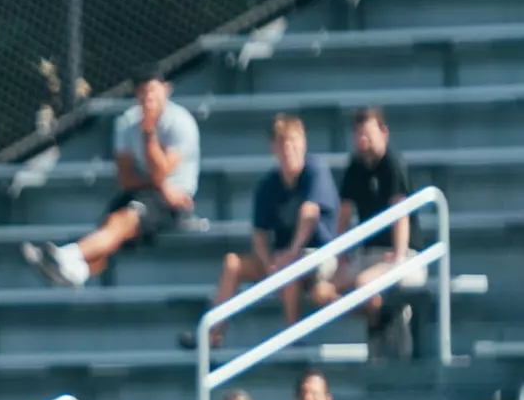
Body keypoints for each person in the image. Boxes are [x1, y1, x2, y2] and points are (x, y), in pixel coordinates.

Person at [23, 66, 200, 287]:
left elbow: (160, 171)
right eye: (143, 93)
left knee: (123, 221)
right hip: (149, 192)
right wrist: (162, 186)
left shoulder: (182, 123)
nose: (149, 99)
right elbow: (126, 178)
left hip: (175, 204)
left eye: (153, 91)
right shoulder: (126, 123)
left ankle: (67, 256)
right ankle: (78, 271)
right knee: (112, 223)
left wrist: (148, 132)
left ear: (166, 90)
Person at [181, 115, 341, 350]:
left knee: (289, 266)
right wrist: (268, 265)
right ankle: (214, 335)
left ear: (304, 143)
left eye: (294, 141)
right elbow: (259, 234)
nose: (289, 149)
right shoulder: (268, 184)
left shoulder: (315, 170)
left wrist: (289, 254)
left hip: (318, 254)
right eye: (282, 143)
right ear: (273, 148)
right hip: (283, 258)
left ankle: (292, 335)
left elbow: (309, 214)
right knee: (233, 263)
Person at [337, 107, 420, 359]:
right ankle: (377, 317)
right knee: (327, 288)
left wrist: (398, 254)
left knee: (363, 284)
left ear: (384, 132)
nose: (363, 140)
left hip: (402, 254)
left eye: (368, 133)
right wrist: (340, 255)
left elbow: (400, 213)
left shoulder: (392, 164)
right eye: (358, 134)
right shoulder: (355, 167)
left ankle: (385, 330)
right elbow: (344, 215)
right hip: (368, 254)